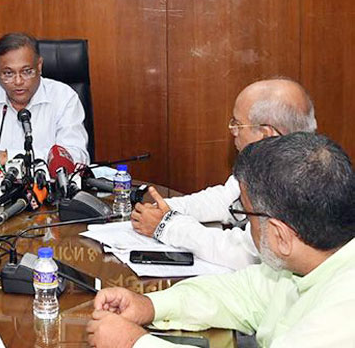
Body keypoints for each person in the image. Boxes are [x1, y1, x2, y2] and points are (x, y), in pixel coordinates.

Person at [88, 132, 355, 348]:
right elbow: (242, 293)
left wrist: (133, 342)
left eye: (246, 214)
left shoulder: (341, 316)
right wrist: (150, 306)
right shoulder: (306, 263)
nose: (246, 226)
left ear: (281, 235)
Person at [131, 78, 317, 269]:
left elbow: (246, 253)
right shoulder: (265, 162)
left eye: (238, 124)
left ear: (266, 134)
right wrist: (165, 208)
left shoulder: (303, 181)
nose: (233, 131)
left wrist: (166, 226)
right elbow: (226, 199)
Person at [0, 32, 89, 165]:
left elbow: (76, 156)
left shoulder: (64, 97)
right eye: (8, 73)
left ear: (39, 66)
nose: (18, 81)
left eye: (27, 71)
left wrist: (7, 156)